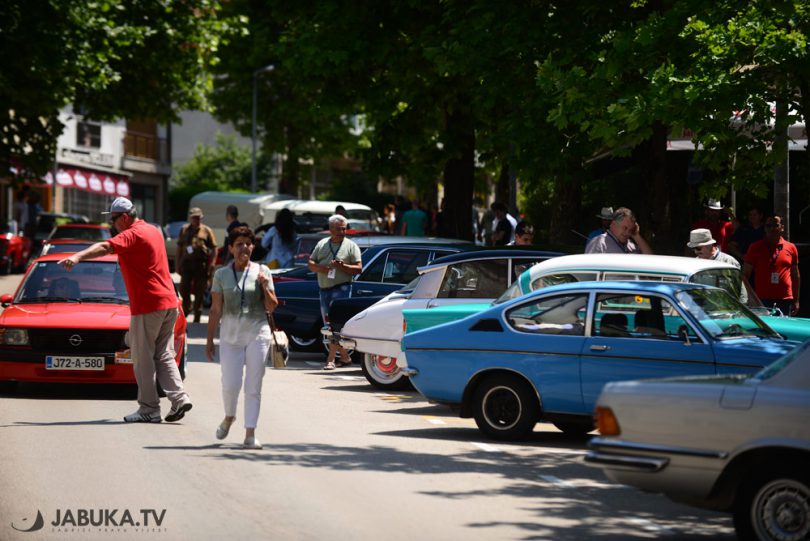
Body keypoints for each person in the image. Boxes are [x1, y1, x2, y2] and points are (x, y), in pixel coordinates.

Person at [57, 197, 192, 423]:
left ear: (126, 217)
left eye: (114, 219)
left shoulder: (132, 234)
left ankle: (149, 409)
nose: (112, 224)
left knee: (142, 358)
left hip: (149, 305)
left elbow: (105, 246)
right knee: (163, 354)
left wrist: (77, 256)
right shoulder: (152, 230)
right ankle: (180, 398)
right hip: (169, 303)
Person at [206, 226, 277, 450]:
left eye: (247, 244)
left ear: (253, 247)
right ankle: (229, 416)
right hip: (230, 335)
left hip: (257, 333)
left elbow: (272, 306)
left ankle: (250, 433)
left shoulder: (263, 271)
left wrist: (265, 286)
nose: (243, 248)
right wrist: (209, 340)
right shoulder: (221, 274)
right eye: (239, 244)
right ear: (230, 248)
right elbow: (215, 310)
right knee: (230, 383)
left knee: (253, 385)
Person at [308, 215, 362, 370]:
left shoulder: (351, 246)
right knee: (328, 326)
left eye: (344, 229)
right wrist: (323, 269)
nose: (342, 231)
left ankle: (331, 359)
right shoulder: (322, 244)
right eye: (339, 229)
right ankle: (345, 357)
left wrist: (342, 266)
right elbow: (311, 263)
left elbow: (359, 269)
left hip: (341, 288)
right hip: (324, 290)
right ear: (331, 229)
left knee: (335, 325)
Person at [743, 215, 800, 316]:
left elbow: (795, 276)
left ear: (782, 227)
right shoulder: (755, 247)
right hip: (762, 300)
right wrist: (751, 298)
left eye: (775, 225)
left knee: (784, 326)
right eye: (768, 226)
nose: (772, 228)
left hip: (785, 299)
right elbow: (745, 275)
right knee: (765, 326)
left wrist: (796, 300)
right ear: (764, 228)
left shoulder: (791, 247)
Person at [175, 207, 217, 323]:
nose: (196, 220)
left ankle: (197, 314)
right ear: (190, 218)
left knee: (200, 291)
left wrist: (212, 264)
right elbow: (179, 248)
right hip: (187, 265)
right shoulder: (184, 230)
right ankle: (186, 308)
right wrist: (177, 265)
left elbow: (214, 248)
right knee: (184, 289)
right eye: (194, 217)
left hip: (201, 265)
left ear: (201, 218)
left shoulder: (206, 230)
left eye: (198, 217)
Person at [585, 207, 653, 254]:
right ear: (613, 224)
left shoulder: (630, 245)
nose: (627, 233)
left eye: (630, 229)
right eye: (625, 228)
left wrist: (636, 235)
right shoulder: (599, 243)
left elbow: (650, 260)